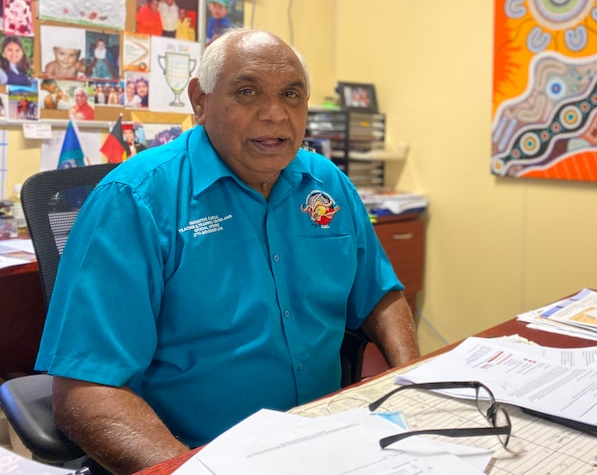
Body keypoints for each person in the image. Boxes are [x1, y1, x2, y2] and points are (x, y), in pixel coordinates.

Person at [36, 29, 420, 474]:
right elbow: (86, 391)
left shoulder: (327, 183)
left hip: (326, 440)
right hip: (196, 454)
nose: (275, 114)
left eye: (291, 94)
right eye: (247, 91)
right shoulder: (133, 200)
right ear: (199, 99)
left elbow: (379, 294)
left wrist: (412, 380)